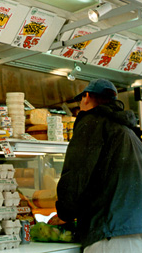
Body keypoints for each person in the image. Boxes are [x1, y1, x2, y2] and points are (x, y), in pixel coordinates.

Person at [56, 78, 142, 253]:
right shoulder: (130, 132)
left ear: (86, 97)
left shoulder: (92, 123)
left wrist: (64, 213)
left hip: (107, 236)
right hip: (135, 233)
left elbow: (77, 174)